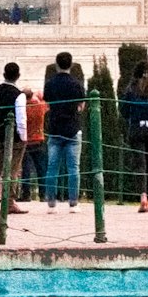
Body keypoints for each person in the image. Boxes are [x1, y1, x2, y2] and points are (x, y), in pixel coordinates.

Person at [40, 52, 88, 204]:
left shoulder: (50, 84)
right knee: (73, 168)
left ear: (56, 65)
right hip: (73, 128)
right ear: (71, 65)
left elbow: (47, 105)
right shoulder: (76, 83)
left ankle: (51, 202)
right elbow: (81, 106)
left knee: (52, 167)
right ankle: (73, 201)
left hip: (55, 129)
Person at [119, 54, 148, 210]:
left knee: (139, 165)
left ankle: (143, 196)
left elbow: (124, 112)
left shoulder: (130, 90)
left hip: (136, 129)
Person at [0, 63, 29, 216]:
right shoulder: (19, 95)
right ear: (18, 76)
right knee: (12, 170)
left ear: (4, 74)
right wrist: (24, 137)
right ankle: (9, 202)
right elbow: (21, 118)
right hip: (14, 137)